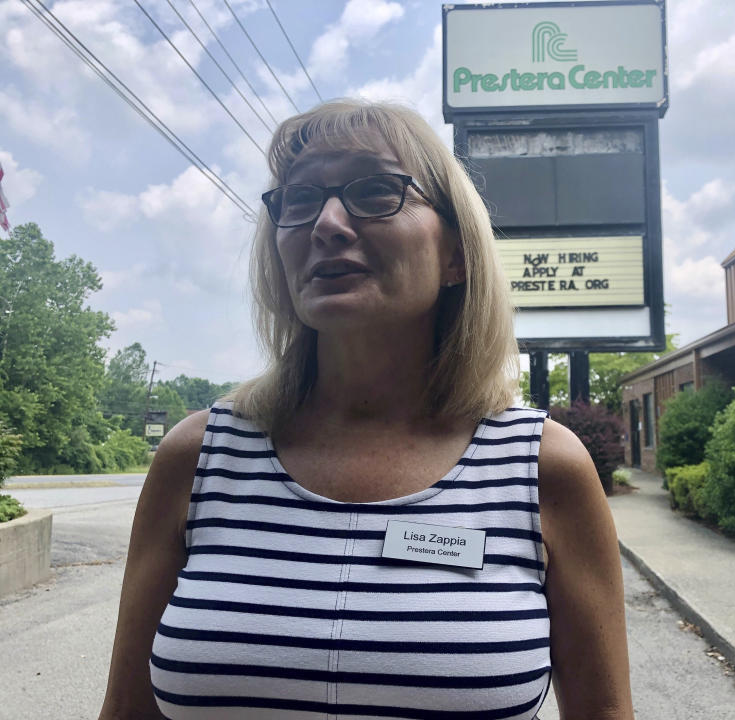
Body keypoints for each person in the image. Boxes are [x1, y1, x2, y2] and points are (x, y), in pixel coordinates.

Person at [99, 99, 632, 720]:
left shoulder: (542, 468)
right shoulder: (198, 458)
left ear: (457, 253)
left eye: (376, 190)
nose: (324, 223)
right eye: (298, 201)